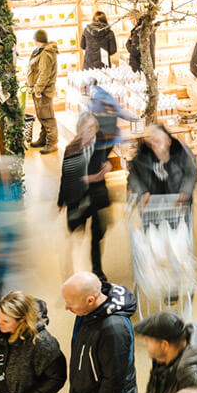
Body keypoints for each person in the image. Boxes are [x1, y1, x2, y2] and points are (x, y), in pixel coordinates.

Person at [63, 272, 138, 393]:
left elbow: (114, 380)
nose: (66, 307)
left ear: (90, 300)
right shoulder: (88, 311)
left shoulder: (114, 329)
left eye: (70, 303)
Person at [59, 113, 111, 280]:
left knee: (97, 236)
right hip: (77, 199)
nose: (89, 133)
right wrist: (61, 200)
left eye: (92, 129)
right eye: (85, 129)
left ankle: (97, 270)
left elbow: (107, 156)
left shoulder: (101, 140)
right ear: (79, 130)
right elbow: (66, 176)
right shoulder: (71, 149)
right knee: (75, 234)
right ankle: (73, 274)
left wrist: (109, 164)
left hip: (97, 197)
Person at [127, 124, 197, 208]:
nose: (154, 146)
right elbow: (133, 176)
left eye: (158, 141)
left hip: (178, 205)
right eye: (151, 142)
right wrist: (142, 193)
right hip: (153, 207)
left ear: (168, 141)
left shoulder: (181, 152)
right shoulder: (143, 156)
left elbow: (191, 172)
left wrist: (185, 191)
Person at [27, 29, 59, 154]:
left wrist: (38, 89)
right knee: (42, 116)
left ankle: (52, 143)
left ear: (37, 40)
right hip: (39, 90)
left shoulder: (46, 53)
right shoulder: (41, 51)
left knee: (48, 117)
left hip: (43, 91)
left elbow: (44, 73)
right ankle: (43, 138)